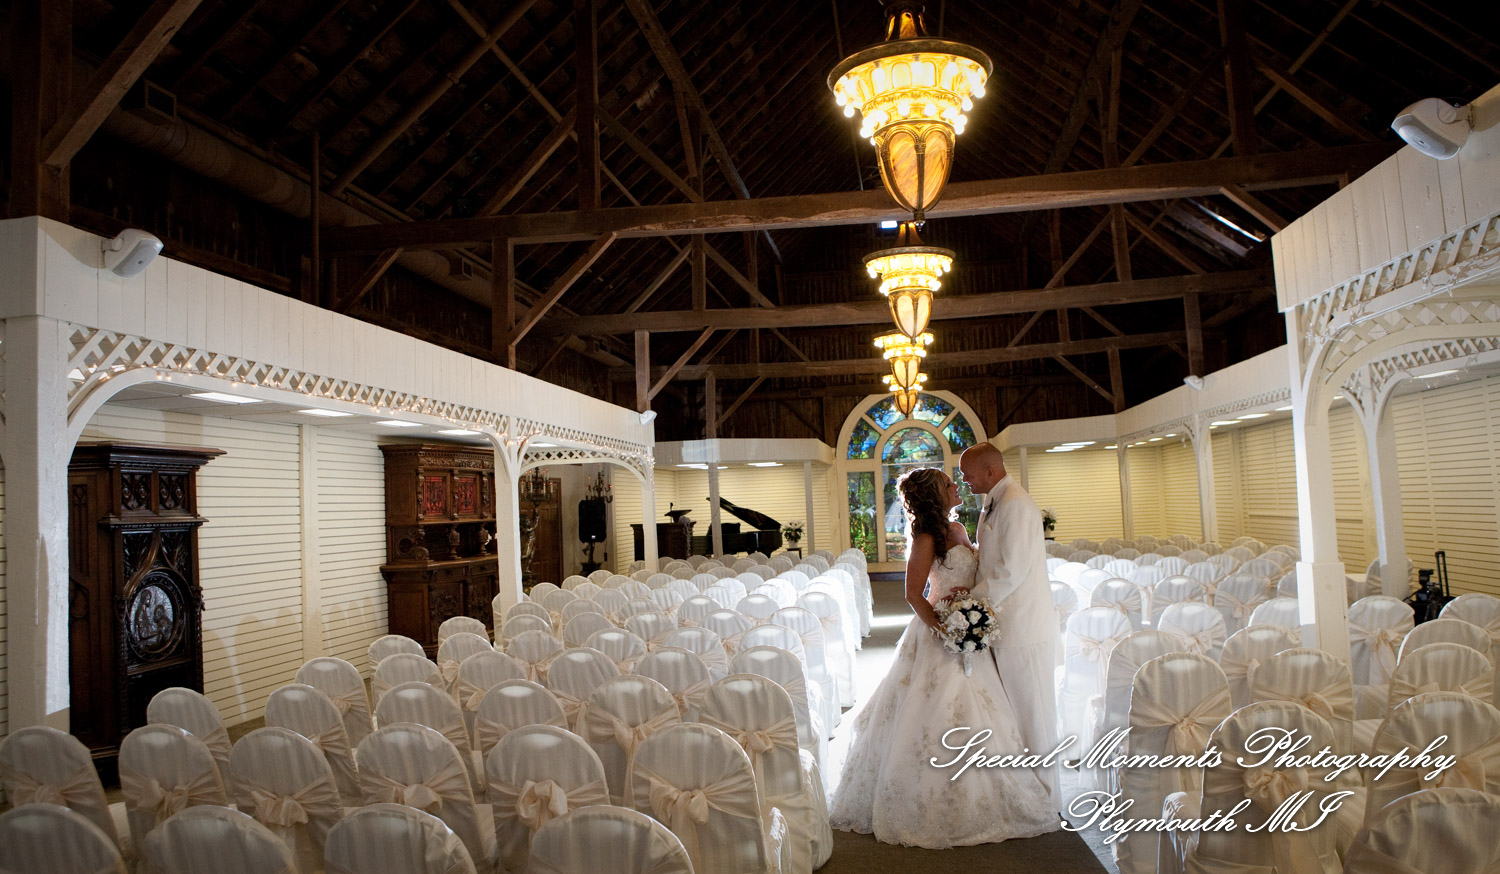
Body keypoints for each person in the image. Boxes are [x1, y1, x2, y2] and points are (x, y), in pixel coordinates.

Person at [830, 467, 1059, 848]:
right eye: (949, 484)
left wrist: (968, 618)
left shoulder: (959, 530)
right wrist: (944, 627)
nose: (957, 487)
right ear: (935, 495)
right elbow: (913, 594)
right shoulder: (926, 537)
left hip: (969, 628)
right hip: (939, 633)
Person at [959, 443, 1062, 807]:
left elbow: (1010, 570)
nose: (964, 480)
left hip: (1025, 627)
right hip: (1007, 626)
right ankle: (1031, 792)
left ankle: (1048, 799)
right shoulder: (994, 500)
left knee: (1035, 715)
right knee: (1018, 715)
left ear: (989, 471)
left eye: (967, 474)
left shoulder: (1016, 503)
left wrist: (969, 605)